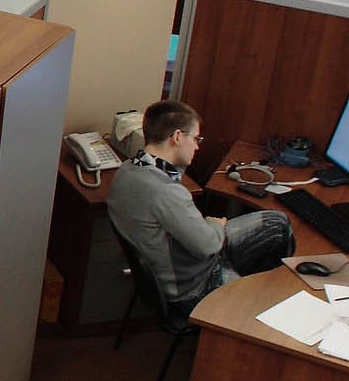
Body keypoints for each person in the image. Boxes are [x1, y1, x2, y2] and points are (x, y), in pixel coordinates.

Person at [106, 101, 294, 309]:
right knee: (266, 305)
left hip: (170, 267)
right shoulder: (166, 191)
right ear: (177, 137)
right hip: (193, 287)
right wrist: (215, 225)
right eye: (195, 139)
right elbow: (209, 246)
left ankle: (242, 283)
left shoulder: (127, 170)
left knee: (276, 222)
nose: (197, 146)